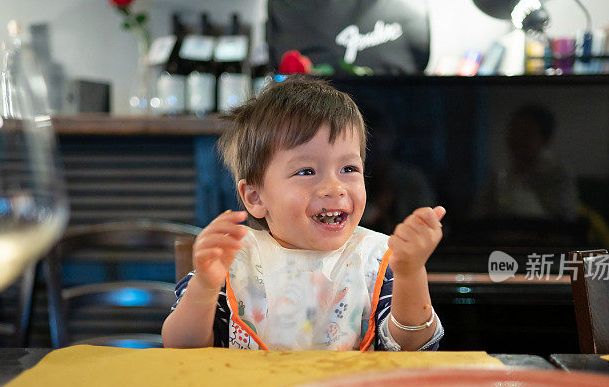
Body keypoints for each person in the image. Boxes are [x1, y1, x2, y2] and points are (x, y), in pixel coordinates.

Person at [162, 77, 445, 351]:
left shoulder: (378, 259)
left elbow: (412, 347)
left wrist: (411, 273)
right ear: (255, 197)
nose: (334, 188)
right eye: (307, 171)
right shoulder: (232, 260)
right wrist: (205, 286)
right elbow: (181, 346)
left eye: (349, 169)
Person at [471, 103, 579, 221]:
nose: (517, 137)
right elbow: (478, 213)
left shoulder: (557, 173)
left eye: (526, 132)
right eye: (513, 130)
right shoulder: (498, 173)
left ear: (544, 139)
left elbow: (563, 218)